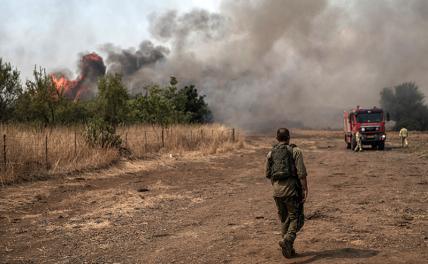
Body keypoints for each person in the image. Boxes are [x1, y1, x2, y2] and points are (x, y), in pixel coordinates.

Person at [265, 128, 308, 258]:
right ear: (289, 138)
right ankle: (287, 240)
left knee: (284, 220)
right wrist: (305, 189)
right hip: (292, 191)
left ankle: (288, 250)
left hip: (277, 192)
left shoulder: (270, 153)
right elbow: (301, 173)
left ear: (277, 138)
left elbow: (268, 174)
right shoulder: (296, 151)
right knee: (297, 219)